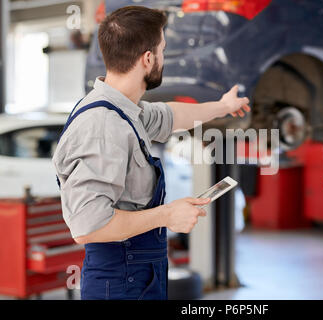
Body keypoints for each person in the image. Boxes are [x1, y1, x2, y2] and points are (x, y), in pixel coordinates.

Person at [52, 6, 250, 300]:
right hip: (120, 282)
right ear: (148, 59)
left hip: (136, 275)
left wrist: (222, 107)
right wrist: (168, 215)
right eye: (162, 50)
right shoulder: (103, 125)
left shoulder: (122, 109)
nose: (163, 58)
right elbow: (88, 227)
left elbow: (170, 116)